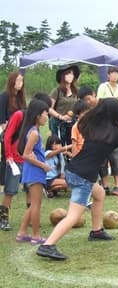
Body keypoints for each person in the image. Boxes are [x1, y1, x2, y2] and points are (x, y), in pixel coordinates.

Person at [37, 98, 118, 260]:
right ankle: (47, 245)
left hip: (73, 170)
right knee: (73, 215)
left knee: (99, 194)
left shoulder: (92, 125)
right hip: (84, 176)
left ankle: (96, 231)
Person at [0, 92, 51, 231]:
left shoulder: (35, 124)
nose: (46, 114)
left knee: (30, 188)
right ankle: (3, 218)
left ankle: (30, 218)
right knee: (10, 189)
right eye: (45, 111)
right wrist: (8, 155)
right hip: (15, 159)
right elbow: (8, 136)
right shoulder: (19, 115)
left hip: (28, 161)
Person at [16, 99, 51, 245]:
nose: (46, 117)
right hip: (35, 172)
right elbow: (26, 154)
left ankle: (22, 233)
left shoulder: (33, 131)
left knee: (33, 205)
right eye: (45, 113)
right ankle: (36, 236)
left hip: (34, 171)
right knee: (36, 204)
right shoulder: (34, 133)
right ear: (37, 115)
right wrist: (43, 165)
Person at [0, 72, 26, 186]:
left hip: (19, 130)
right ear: (12, 82)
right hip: (7, 129)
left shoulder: (21, 97)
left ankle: (17, 178)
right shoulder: (5, 96)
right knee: (6, 154)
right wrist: (4, 128)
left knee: (19, 154)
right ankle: (3, 180)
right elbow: (1, 115)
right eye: (18, 80)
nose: (20, 83)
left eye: (22, 81)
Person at [49, 65, 80, 146]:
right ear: (62, 76)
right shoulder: (56, 91)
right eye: (68, 74)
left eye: (72, 74)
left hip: (72, 123)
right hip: (58, 124)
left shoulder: (76, 91)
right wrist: (60, 117)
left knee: (72, 144)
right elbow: (49, 108)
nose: (71, 76)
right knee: (59, 144)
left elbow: (80, 105)